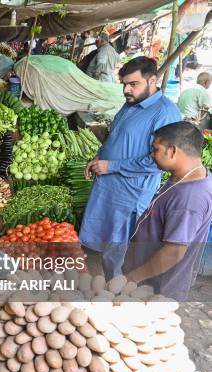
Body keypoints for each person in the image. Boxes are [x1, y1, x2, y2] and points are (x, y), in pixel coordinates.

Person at [79, 56, 182, 279]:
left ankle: (118, 295)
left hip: (129, 193)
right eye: (124, 84)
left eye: (133, 84)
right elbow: (115, 138)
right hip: (108, 185)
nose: (127, 90)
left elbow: (157, 162)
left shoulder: (165, 113)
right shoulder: (130, 103)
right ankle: (109, 285)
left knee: (119, 250)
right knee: (106, 241)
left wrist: (111, 165)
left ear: (152, 80)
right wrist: (98, 158)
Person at [124, 122, 212, 301]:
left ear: (172, 151)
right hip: (149, 278)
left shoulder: (189, 198)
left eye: (155, 149)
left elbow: (174, 251)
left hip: (157, 287)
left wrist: (133, 278)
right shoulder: (189, 177)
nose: (151, 155)